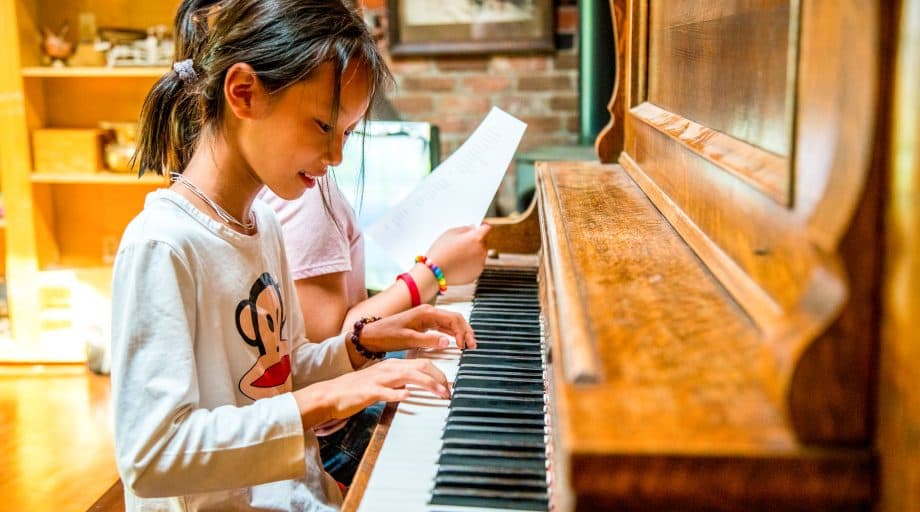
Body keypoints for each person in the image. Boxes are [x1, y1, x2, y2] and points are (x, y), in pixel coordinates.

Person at [109, 1, 476, 510]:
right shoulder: (163, 245)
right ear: (244, 94)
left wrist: (359, 346)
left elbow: (277, 372)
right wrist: (328, 397)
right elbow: (152, 458)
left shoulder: (264, 225)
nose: (336, 158)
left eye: (345, 134)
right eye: (323, 127)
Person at [258, 173, 491, 486]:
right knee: (467, 452)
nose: (335, 155)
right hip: (330, 438)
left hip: (314, 418)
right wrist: (432, 271)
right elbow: (322, 363)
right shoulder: (307, 197)